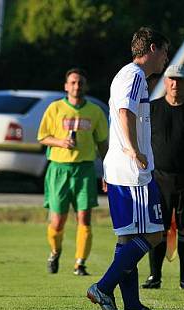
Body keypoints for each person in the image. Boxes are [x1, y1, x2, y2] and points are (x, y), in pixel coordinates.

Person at [86, 27, 170, 310]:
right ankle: (103, 287)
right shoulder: (134, 75)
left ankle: (132, 306)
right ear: (152, 49)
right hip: (133, 172)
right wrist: (134, 150)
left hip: (121, 169)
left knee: (128, 239)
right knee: (155, 234)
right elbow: (124, 112)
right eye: (164, 52)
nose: (165, 59)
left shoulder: (130, 76)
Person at [38, 68, 109, 276]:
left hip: (85, 169)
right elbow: (42, 137)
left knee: (84, 218)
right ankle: (55, 251)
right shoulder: (55, 108)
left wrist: (107, 169)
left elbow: (103, 143)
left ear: (85, 86)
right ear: (66, 86)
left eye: (80, 83)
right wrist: (60, 142)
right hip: (59, 169)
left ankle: (80, 263)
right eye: (73, 82)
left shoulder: (95, 111)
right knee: (57, 221)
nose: (77, 86)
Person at [142, 64, 184, 290]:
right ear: (165, 82)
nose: (175, 84)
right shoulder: (152, 109)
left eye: (180, 80)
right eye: (171, 79)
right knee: (158, 228)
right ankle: (154, 276)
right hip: (159, 177)